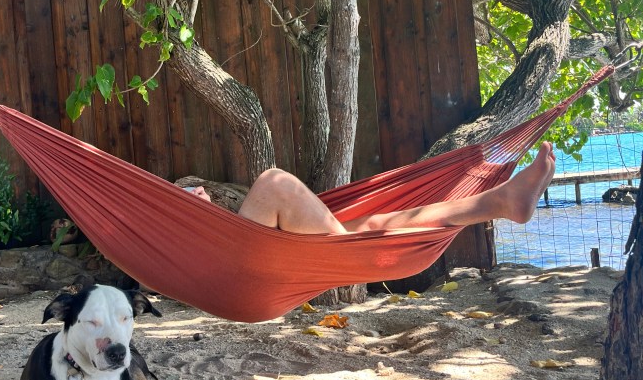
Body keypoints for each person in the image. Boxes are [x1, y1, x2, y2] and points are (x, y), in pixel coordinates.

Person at [186, 141, 556, 236]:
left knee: (378, 225)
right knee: (274, 182)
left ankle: (500, 202)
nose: (200, 192)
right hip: (252, 263)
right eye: (185, 199)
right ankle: (502, 201)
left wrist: (205, 213)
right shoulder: (175, 251)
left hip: (270, 248)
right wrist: (198, 219)